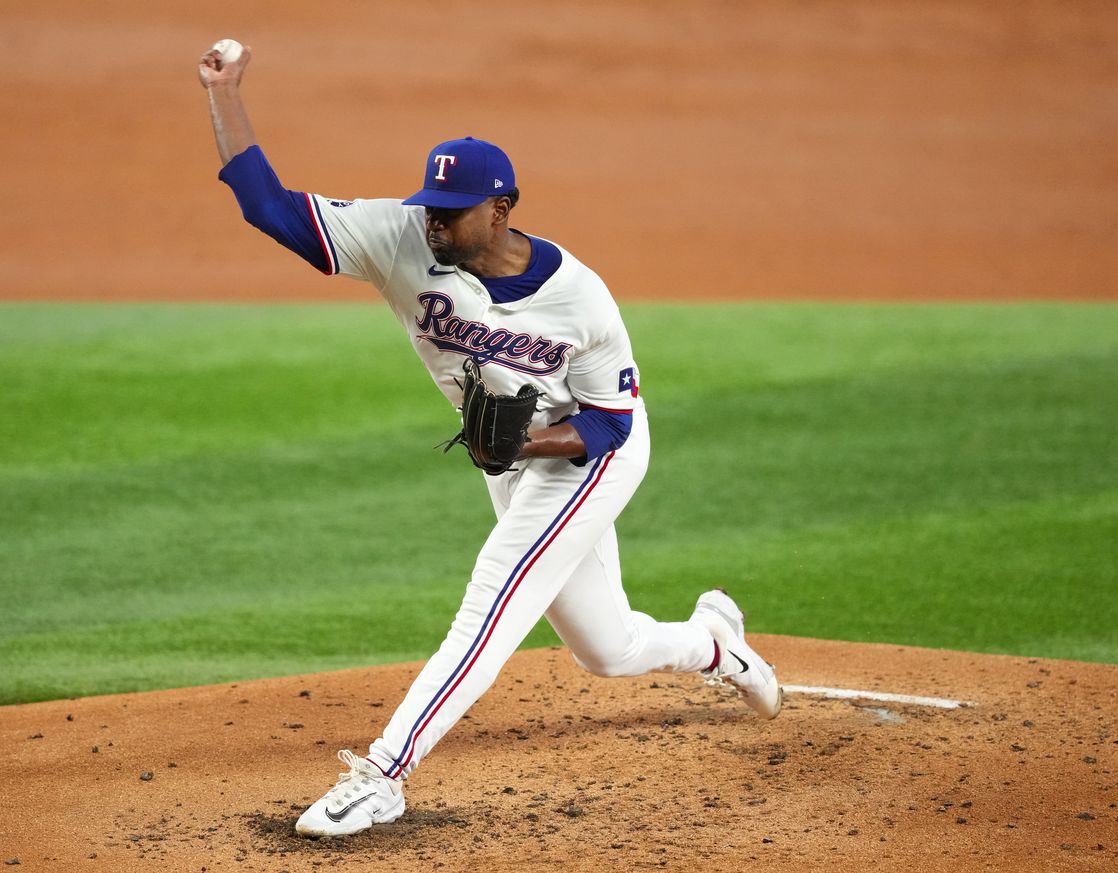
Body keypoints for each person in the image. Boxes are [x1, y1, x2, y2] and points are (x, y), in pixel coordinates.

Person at [197, 40, 782, 838]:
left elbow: (610, 423)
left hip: (585, 456)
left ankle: (383, 773)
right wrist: (224, 92)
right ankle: (715, 645)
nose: (433, 222)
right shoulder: (400, 237)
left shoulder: (582, 300)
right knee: (606, 649)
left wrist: (523, 449)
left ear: (502, 209)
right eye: (430, 207)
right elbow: (269, 207)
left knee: (494, 599)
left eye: (453, 211)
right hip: (509, 457)